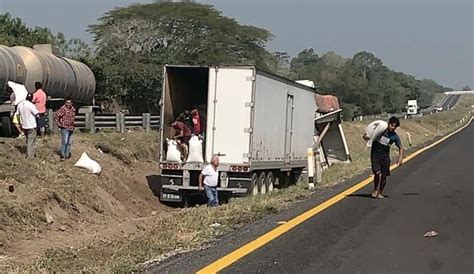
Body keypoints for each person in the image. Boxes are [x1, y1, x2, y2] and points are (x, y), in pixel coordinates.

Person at [363, 116, 404, 198]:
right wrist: (366, 137)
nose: (393, 127)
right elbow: (367, 135)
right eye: (391, 125)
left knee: (384, 176)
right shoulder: (380, 131)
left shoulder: (394, 136)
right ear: (388, 124)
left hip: (385, 157)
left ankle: (380, 192)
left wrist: (400, 158)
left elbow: (400, 147)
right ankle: (375, 190)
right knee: (377, 173)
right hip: (375, 155)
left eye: (395, 126)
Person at [17, 93, 39, 159]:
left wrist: (19, 123)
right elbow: (36, 113)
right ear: (31, 98)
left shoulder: (20, 105)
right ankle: (30, 156)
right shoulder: (31, 105)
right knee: (31, 141)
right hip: (31, 125)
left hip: (24, 125)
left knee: (28, 140)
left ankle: (30, 153)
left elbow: (18, 114)